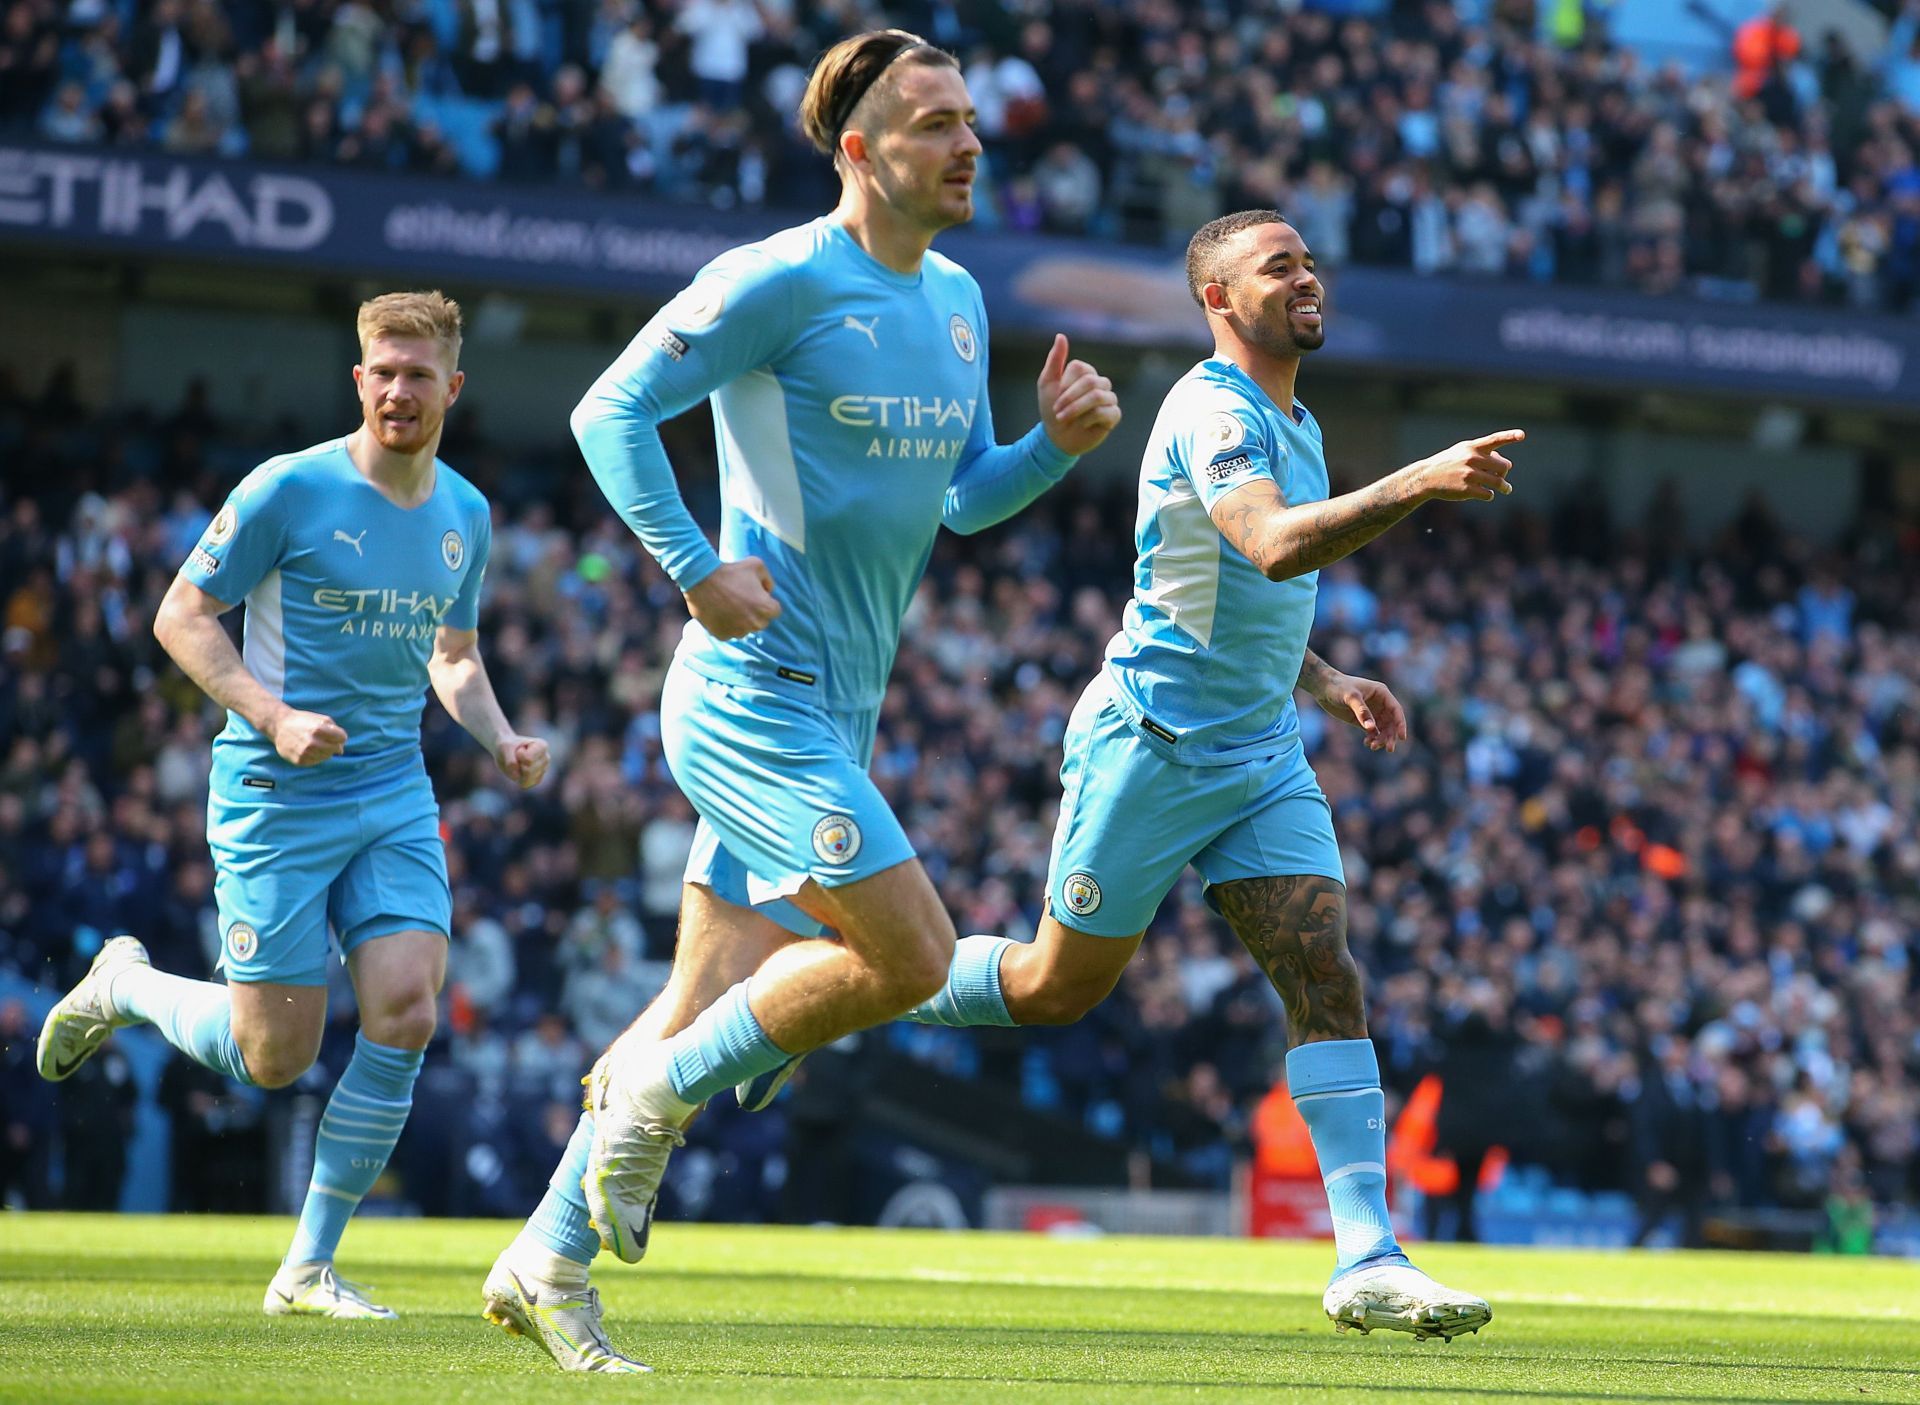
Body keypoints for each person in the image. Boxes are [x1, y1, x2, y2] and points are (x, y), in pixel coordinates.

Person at [480, 28, 1119, 1374]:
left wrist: (1049, 450)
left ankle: (544, 1256)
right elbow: (612, 411)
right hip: (745, 697)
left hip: (838, 711)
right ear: (859, 148)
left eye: (970, 122)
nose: (968, 143)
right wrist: (697, 569)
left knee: (702, 1002)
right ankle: (649, 1098)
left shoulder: (955, 301)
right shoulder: (779, 278)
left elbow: (958, 501)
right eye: (934, 121)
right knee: (899, 955)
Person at [828, 209, 1519, 1337]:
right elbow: (1272, 544)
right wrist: (1422, 480)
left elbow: (1238, 596)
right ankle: (857, 986)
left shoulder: (1293, 416)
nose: (1306, 277)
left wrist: (1329, 677)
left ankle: (1368, 1256)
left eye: (1308, 260)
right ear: (1217, 300)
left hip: (1258, 753)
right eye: (1276, 265)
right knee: (1058, 987)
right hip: (1148, 748)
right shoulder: (1210, 407)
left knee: (1323, 972)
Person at [36, 291, 549, 1319]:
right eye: (383, 373)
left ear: (454, 386)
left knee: (407, 1006)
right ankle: (126, 984)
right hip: (276, 788)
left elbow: (454, 655)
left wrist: (496, 735)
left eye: (420, 375)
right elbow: (181, 615)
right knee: (276, 1057)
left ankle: (308, 1266)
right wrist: (271, 716)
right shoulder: (288, 489)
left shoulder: (467, 514)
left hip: (393, 786)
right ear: (358, 380)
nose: (400, 391)